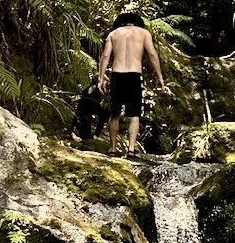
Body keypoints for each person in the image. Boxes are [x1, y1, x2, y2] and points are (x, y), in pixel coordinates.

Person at [98, 11, 166, 157]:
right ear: (137, 22)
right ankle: (130, 149)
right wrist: (159, 76)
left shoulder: (113, 34)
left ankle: (112, 149)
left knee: (115, 114)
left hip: (116, 75)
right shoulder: (144, 33)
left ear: (121, 22)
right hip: (134, 76)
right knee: (134, 114)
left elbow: (105, 56)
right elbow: (153, 54)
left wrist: (101, 77)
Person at [71, 79, 105, 145]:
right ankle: (95, 135)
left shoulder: (90, 86)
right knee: (102, 117)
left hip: (83, 102)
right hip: (91, 103)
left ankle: (80, 134)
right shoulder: (99, 85)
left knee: (82, 118)